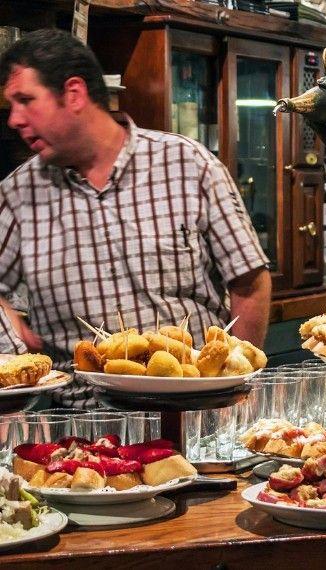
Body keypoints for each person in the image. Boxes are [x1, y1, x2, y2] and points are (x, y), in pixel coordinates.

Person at [0, 29, 271, 407]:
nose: (14, 119)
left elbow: (250, 284)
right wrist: (9, 331)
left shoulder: (187, 164)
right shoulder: (17, 194)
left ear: (74, 94)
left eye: (25, 101)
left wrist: (234, 389)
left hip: (194, 412)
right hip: (86, 425)